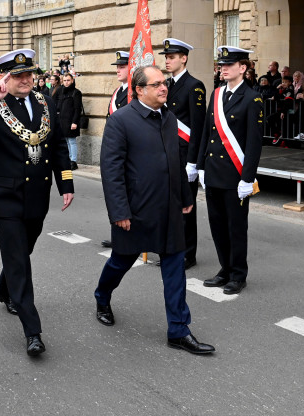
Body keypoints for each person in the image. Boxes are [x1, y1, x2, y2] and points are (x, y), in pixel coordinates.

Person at [0, 48, 74, 356]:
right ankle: (32, 330)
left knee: (24, 248)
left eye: (28, 74)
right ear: (5, 77)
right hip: (5, 194)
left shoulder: (45, 102)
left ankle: (2, 289)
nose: (24, 80)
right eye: (17, 75)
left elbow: (58, 144)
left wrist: (66, 183)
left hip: (37, 194)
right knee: (19, 258)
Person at [94, 65, 215, 355]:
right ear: (139, 89)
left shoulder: (169, 118)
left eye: (165, 83)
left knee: (175, 268)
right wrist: (119, 211)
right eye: (157, 84)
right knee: (120, 262)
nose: (165, 88)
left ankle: (178, 330)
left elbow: (174, 161)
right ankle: (102, 297)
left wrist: (186, 195)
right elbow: (111, 170)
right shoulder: (120, 120)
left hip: (169, 209)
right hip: (136, 211)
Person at [197, 46, 263, 295]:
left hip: (235, 177)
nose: (222, 68)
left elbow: (254, 143)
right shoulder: (216, 95)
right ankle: (224, 269)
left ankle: (238, 274)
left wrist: (248, 178)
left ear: (243, 68)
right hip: (214, 173)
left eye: (228, 64)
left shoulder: (252, 98)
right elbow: (207, 133)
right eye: (221, 64)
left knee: (236, 227)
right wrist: (201, 166)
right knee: (217, 226)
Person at [161, 38, 207, 271]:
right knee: (169, 205)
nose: (167, 61)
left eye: (171, 57)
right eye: (166, 57)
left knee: (186, 207)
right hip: (168, 154)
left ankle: (188, 253)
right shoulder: (165, 85)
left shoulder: (194, 85)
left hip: (184, 156)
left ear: (183, 58)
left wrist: (194, 162)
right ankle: (171, 248)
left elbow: (198, 128)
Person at [101, 50, 130, 249]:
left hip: (129, 153)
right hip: (115, 151)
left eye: (122, 66)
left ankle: (130, 237)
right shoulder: (118, 93)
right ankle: (118, 235)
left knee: (128, 196)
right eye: (117, 67)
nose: (118, 70)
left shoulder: (134, 94)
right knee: (115, 194)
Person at [58, 73, 82, 170]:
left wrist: (75, 122)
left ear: (72, 80)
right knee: (66, 141)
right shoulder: (62, 91)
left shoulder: (76, 92)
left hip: (71, 121)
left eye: (68, 80)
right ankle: (68, 159)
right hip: (63, 121)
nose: (66, 82)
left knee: (72, 141)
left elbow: (77, 109)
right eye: (64, 80)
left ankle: (73, 161)